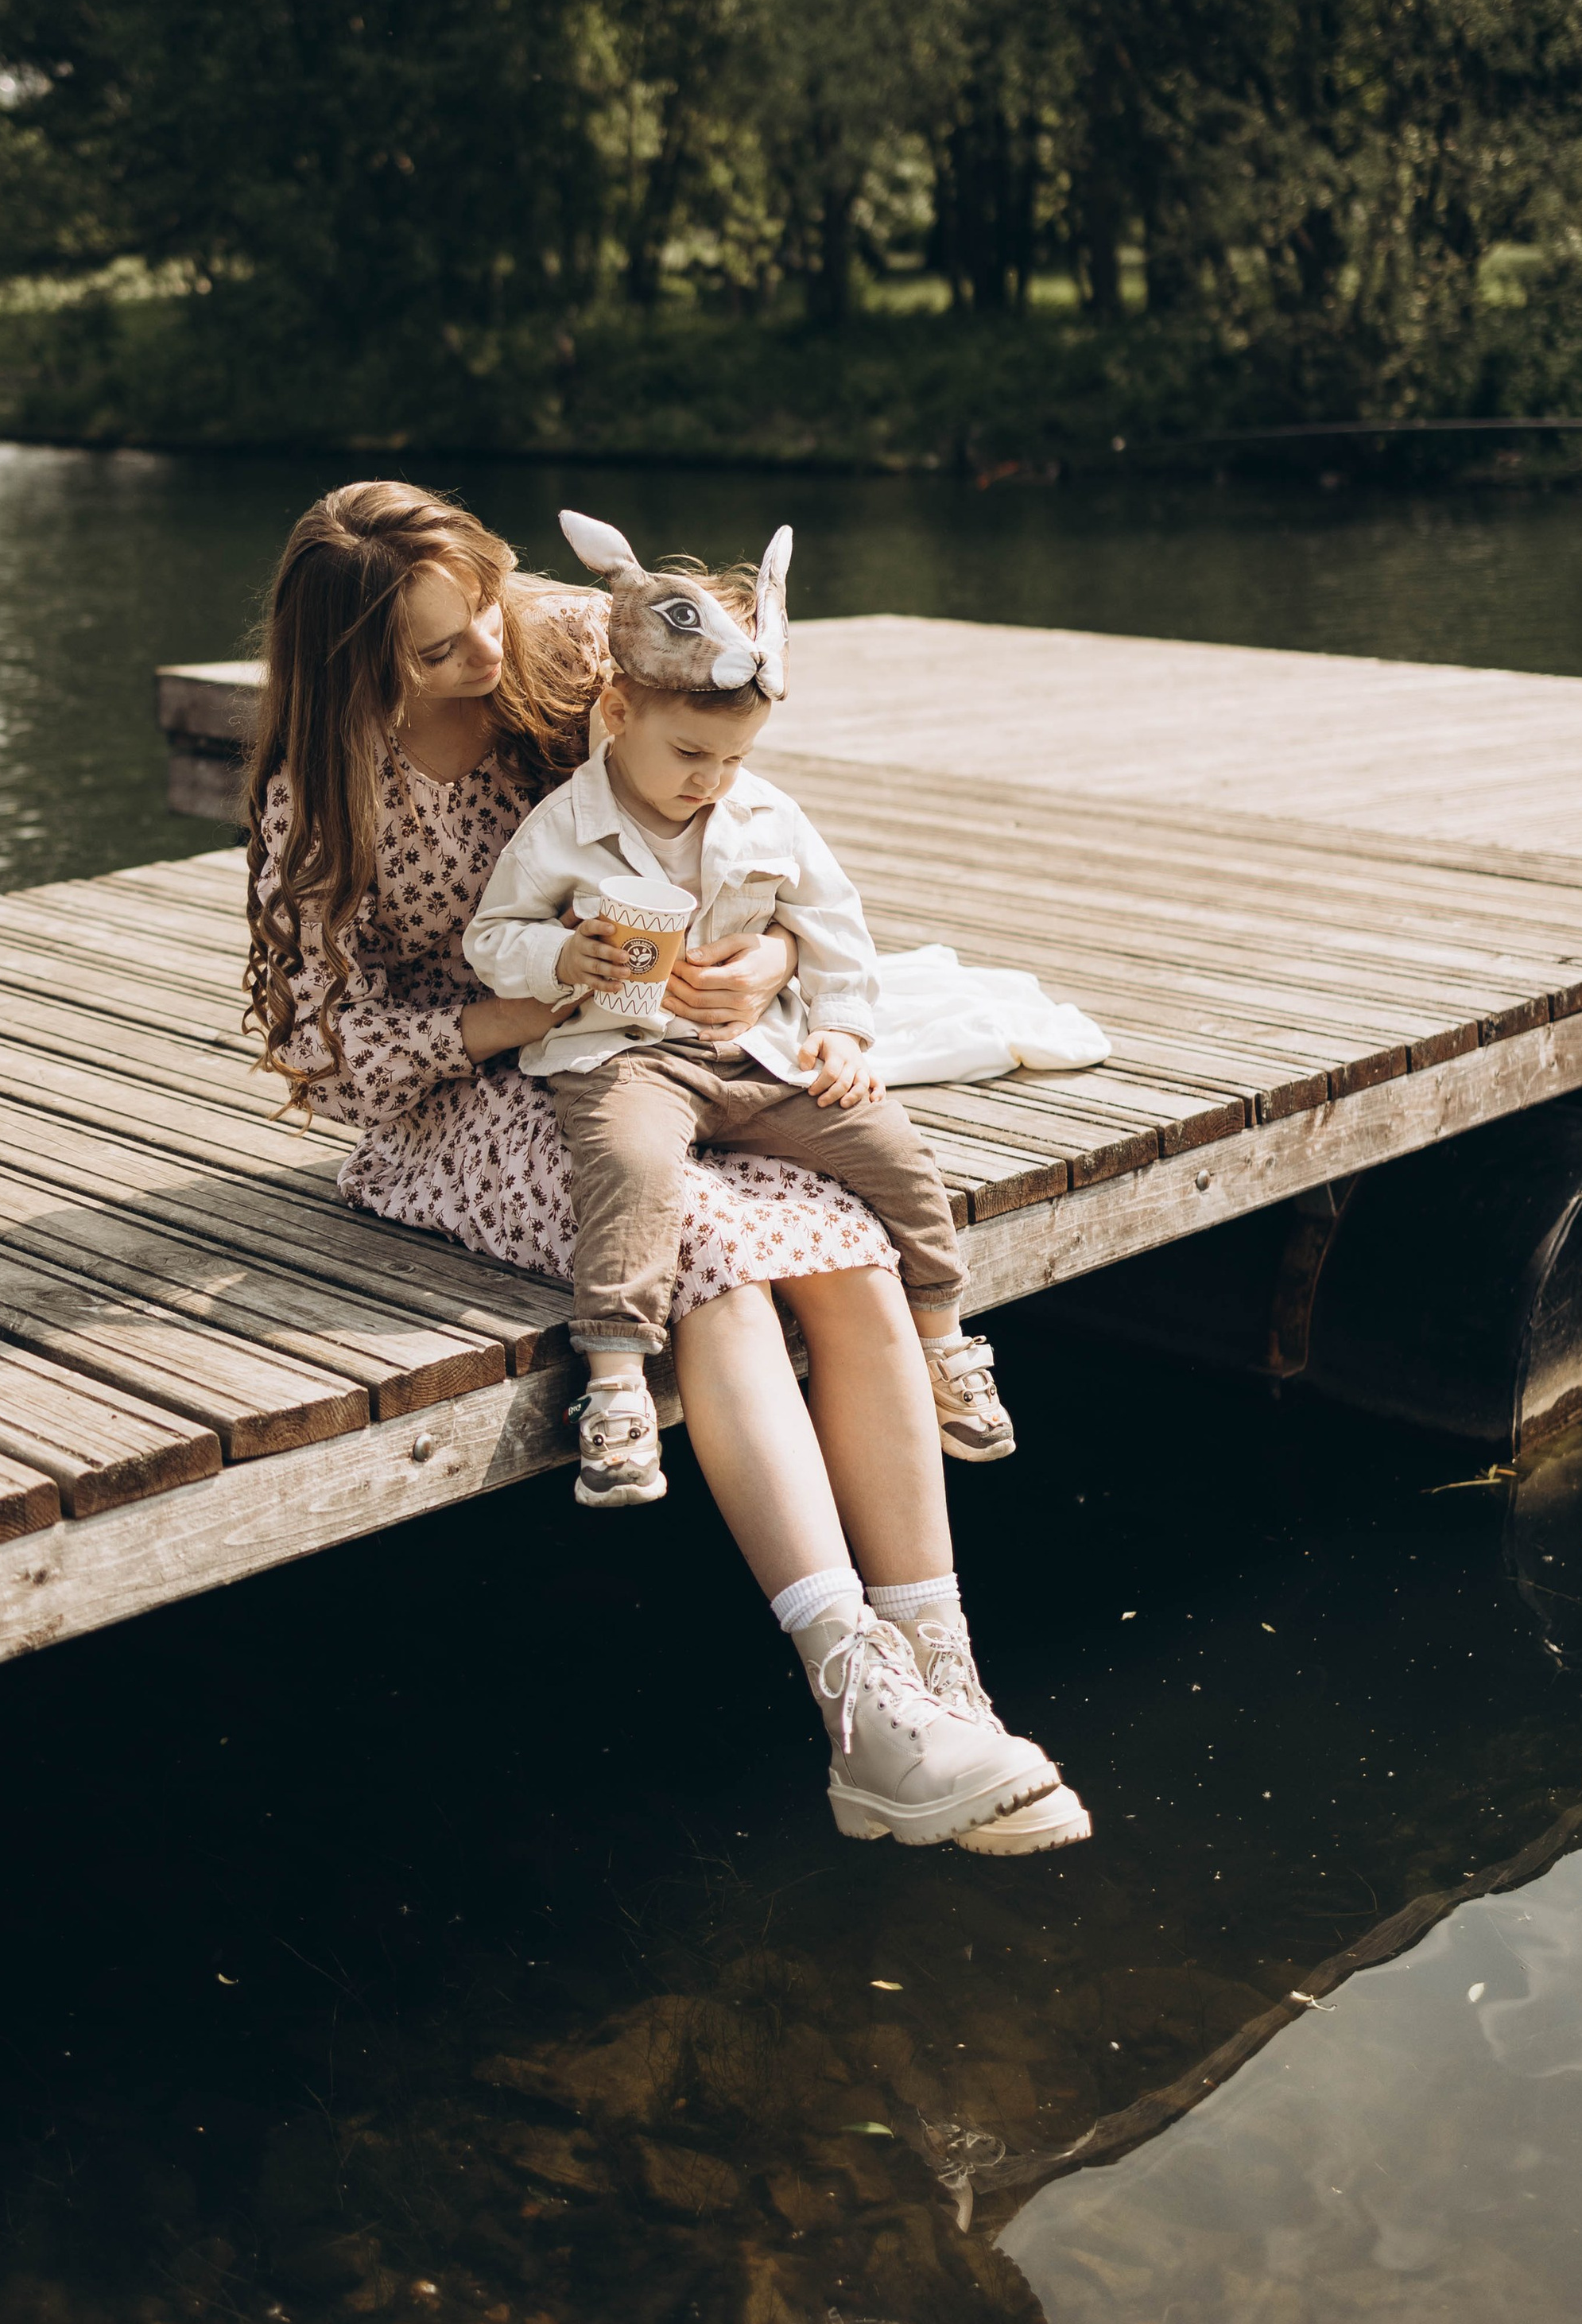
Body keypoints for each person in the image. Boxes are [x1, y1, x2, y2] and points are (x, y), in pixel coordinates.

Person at [244, 479, 1087, 1853]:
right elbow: (338, 1051)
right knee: (712, 1257)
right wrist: (543, 1003)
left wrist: (769, 963)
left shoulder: (577, 643)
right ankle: (856, 1714)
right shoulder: (323, 791)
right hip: (465, 1102)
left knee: (845, 1241)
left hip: (676, 1054)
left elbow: (758, 817)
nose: (486, 657)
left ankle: (947, 1676)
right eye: (438, 648)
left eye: (486, 610)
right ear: (360, 667)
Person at [463, 506, 1014, 1523]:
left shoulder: (764, 813)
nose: (711, 782)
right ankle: (619, 1381)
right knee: (629, 1169)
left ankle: (944, 1334)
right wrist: (559, 957)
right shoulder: (563, 827)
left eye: (733, 759)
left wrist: (841, 1033)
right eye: (689, 757)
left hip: (753, 1051)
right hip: (624, 1054)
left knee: (893, 1148)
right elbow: (490, 940)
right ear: (619, 715)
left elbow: (833, 923)